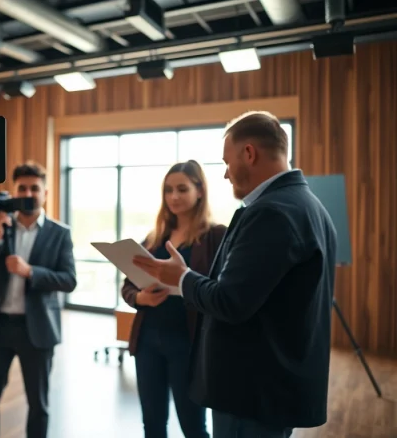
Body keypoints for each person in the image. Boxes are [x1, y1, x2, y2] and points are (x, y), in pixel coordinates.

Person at [134, 111, 337, 438]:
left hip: (252, 390)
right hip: (273, 384)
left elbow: (230, 301)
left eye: (227, 162)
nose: (226, 174)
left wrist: (182, 278)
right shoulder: (308, 205)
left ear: (249, 153)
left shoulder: (271, 212)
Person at [121, 160, 225, 438]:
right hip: (148, 341)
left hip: (188, 343)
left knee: (193, 426)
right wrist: (141, 298)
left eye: (182, 189)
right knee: (152, 424)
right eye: (168, 190)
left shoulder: (216, 236)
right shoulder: (155, 239)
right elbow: (127, 287)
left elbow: (222, 291)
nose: (174, 197)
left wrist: (186, 278)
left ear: (200, 191)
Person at [0, 161, 77, 438]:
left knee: (38, 403)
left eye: (35, 188)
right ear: (14, 192)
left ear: (45, 193)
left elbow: (69, 280)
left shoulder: (60, 233)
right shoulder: (0, 226)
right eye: (22, 188)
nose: (28, 193)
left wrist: (31, 272)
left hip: (38, 330)